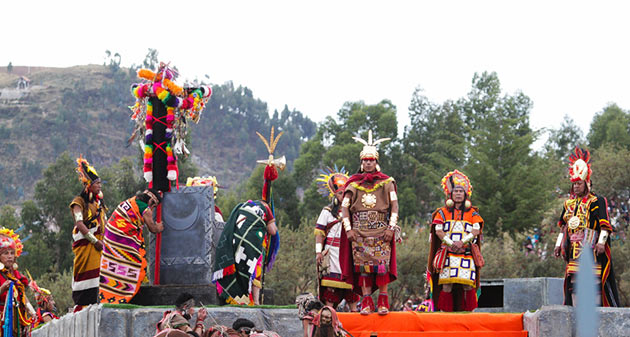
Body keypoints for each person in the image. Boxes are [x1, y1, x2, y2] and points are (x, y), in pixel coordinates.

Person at [340, 130, 399, 315]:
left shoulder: (387, 182)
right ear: (361, 162)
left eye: (371, 160)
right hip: (360, 233)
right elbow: (344, 208)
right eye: (365, 160)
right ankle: (366, 303)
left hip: (382, 231)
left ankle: (382, 303)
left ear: (376, 162)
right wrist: (348, 229)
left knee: (381, 268)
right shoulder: (353, 184)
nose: (368, 163)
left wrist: (391, 228)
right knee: (364, 269)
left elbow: (395, 207)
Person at [554, 147, 620, 306]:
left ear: (586, 183)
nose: (576, 186)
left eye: (579, 183)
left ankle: (595, 313)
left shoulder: (597, 201)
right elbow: (564, 227)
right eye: (574, 184)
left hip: (591, 246)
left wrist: (601, 242)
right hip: (573, 249)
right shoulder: (568, 203)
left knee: (594, 282)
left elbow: (605, 225)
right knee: (574, 283)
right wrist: (558, 245)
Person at [427, 170, 484, 312]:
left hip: (466, 252)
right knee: (447, 285)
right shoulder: (442, 212)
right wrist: (452, 243)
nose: (458, 194)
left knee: (467, 284)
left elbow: (476, 230)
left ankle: (469, 312)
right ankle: (445, 313)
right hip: (448, 252)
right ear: (450, 194)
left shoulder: (472, 213)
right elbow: (438, 230)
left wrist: (462, 242)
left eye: (461, 191)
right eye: (456, 191)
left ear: (465, 194)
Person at [99, 189, 164, 304]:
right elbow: (153, 229)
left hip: (110, 236)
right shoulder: (146, 210)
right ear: (150, 202)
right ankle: (123, 297)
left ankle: (108, 296)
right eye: (154, 206)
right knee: (136, 264)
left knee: (113, 265)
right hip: (120, 238)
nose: (153, 209)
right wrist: (159, 227)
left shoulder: (130, 201)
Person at [212, 200, 278, 305]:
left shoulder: (243, 206)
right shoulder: (266, 208)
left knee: (239, 267)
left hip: (236, 241)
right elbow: (273, 231)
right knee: (255, 269)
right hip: (253, 244)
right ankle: (255, 301)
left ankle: (235, 297)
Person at [314, 167, 359, 311]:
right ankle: (329, 315)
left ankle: (354, 316)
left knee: (350, 286)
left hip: (348, 251)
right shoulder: (327, 212)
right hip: (331, 251)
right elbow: (319, 233)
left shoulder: (353, 212)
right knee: (331, 287)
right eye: (340, 193)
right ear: (334, 194)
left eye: (345, 193)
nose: (343, 196)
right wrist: (318, 252)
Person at [69, 156, 107, 311]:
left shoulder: (98, 203)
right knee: (85, 273)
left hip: (100, 246)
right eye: (96, 183)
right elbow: (79, 223)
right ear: (88, 185)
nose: (99, 186)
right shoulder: (79, 202)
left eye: (99, 183)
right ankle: (82, 304)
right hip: (87, 246)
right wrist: (94, 241)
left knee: (100, 275)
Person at [0, 228, 36, 335]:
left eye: (12, 253)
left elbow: (22, 296)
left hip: (17, 319)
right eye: (6, 253)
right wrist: (2, 289)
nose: (10, 256)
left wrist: (32, 312)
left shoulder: (16, 275)